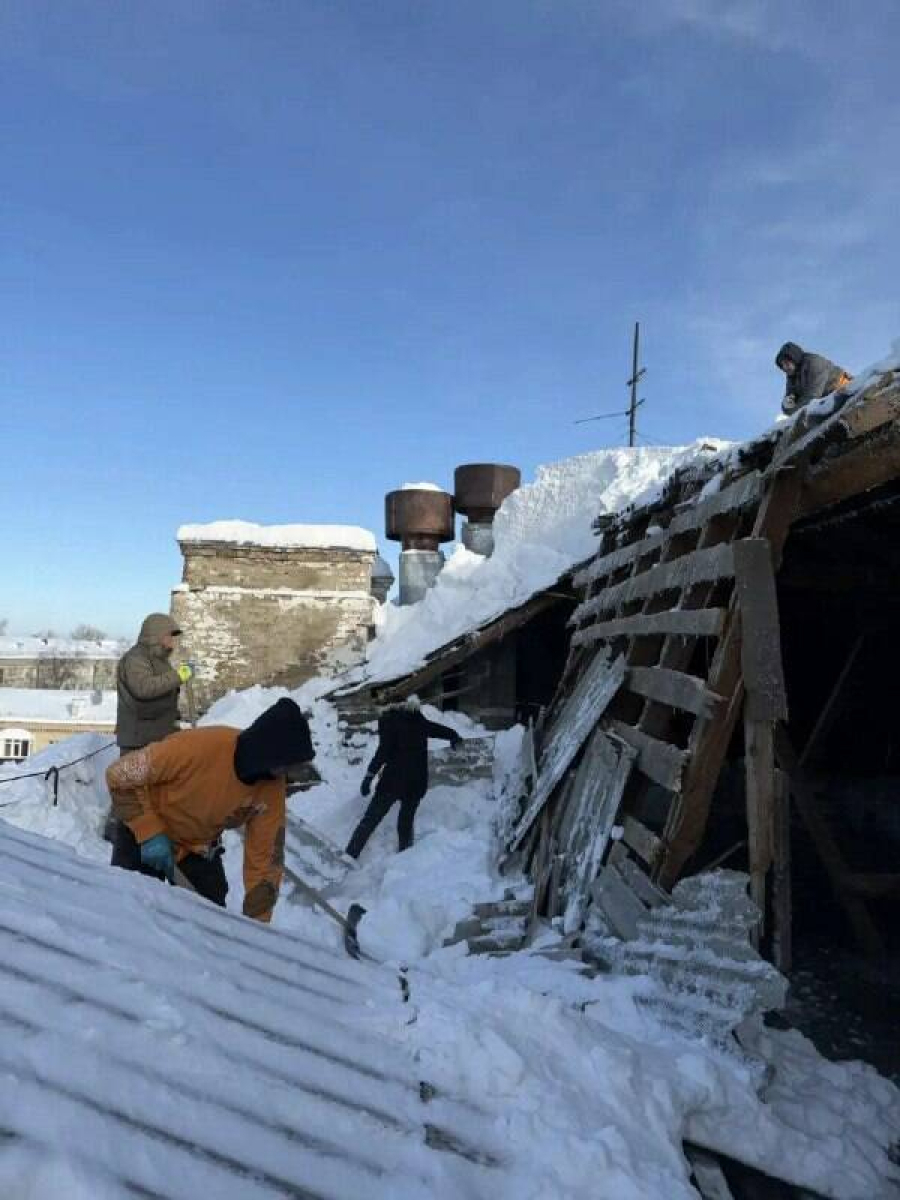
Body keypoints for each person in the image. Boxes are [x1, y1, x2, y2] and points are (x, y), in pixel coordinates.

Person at [106, 697, 314, 921]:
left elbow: (266, 858)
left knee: (210, 922)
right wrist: (148, 831)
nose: (288, 774)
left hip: (195, 845)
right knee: (130, 910)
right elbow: (119, 774)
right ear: (269, 755)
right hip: (143, 830)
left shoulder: (271, 787)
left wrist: (258, 926)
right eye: (287, 765)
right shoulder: (197, 748)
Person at [106, 612, 193, 855]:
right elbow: (143, 689)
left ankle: (145, 842)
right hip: (137, 739)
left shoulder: (158, 660)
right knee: (131, 796)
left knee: (149, 797)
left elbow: (161, 695)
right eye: (170, 636)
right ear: (156, 635)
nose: (173, 642)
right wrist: (178, 676)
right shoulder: (135, 659)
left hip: (154, 737)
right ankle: (122, 844)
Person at [345, 699, 461, 859]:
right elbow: (433, 728)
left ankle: (349, 856)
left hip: (393, 781)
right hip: (416, 781)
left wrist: (369, 776)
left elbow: (383, 751)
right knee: (406, 821)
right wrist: (453, 735)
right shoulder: (416, 716)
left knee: (370, 820)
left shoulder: (388, 718)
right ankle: (405, 856)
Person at [775, 342, 852, 416]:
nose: (784, 368)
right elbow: (789, 400)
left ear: (794, 358)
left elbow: (813, 396)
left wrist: (793, 410)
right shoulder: (792, 377)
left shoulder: (814, 363)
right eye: (782, 365)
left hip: (844, 390)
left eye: (786, 363)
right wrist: (787, 406)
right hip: (828, 402)